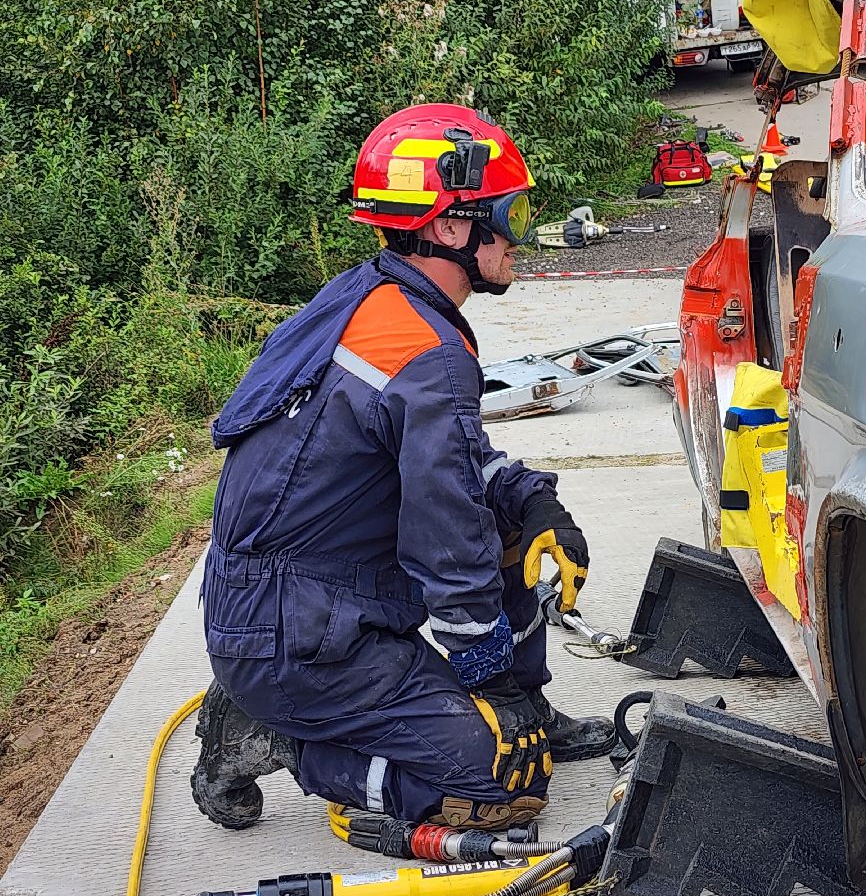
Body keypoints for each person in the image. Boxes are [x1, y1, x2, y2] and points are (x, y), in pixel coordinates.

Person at [191, 104, 615, 833]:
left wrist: (533, 501)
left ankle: (523, 705)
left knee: (510, 517)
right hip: (298, 639)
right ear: (451, 227)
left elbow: (448, 468)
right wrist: (489, 681)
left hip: (294, 605)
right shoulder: (427, 353)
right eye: (509, 212)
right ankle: (282, 739)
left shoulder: (374, 299)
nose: (520, 233)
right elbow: (444, 544)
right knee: (508, 783)